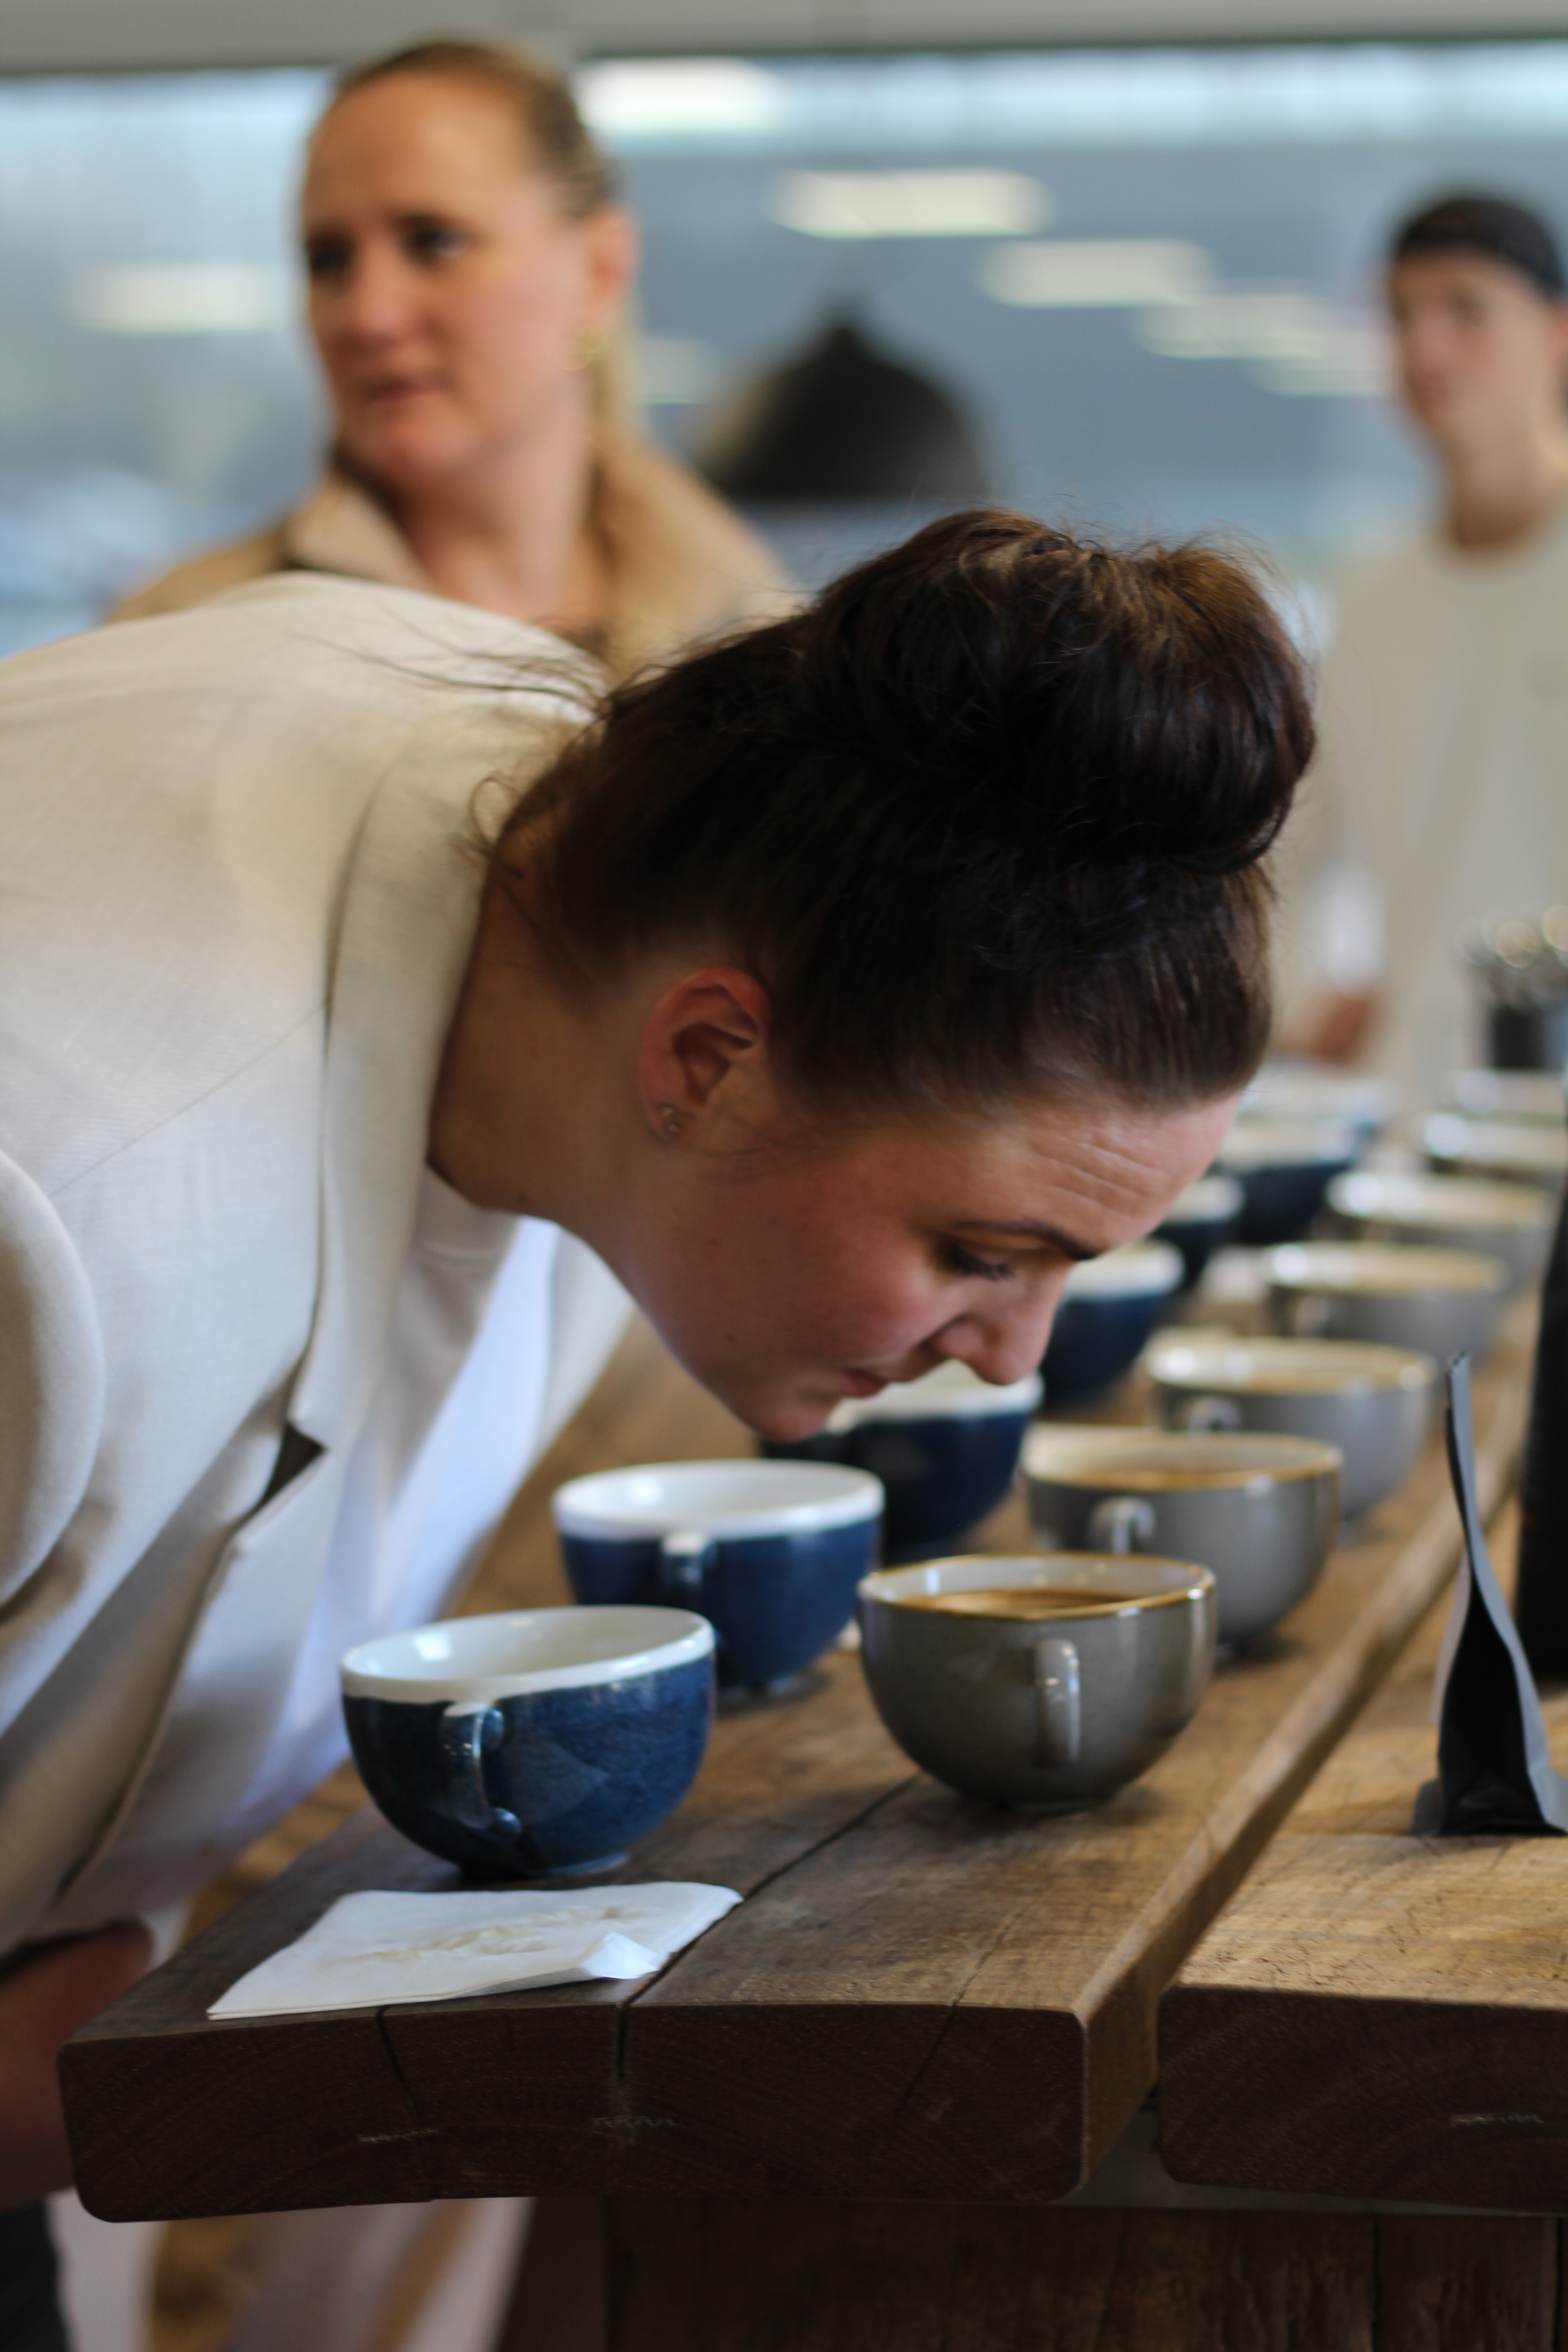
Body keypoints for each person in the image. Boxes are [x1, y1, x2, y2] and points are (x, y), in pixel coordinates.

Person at [0, 510, 1310, 2344]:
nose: (1014, 1363)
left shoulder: (572, 845)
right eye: (981, 1251)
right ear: (710, 1057)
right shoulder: (65, 1220)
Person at [114, 38, 785, 674]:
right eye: (329, 261)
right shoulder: (179, 640)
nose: (369, 315)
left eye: (435, 242)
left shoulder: (759, 649)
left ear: (600, 272)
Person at [1284, 192, 1568, 1098]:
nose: (1425, 351)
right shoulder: (1372, 595)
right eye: (1403, 317)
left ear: (1557, 333)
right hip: (1417, 1116)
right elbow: (1279, 843)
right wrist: (1302, 997)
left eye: (1465, 310)